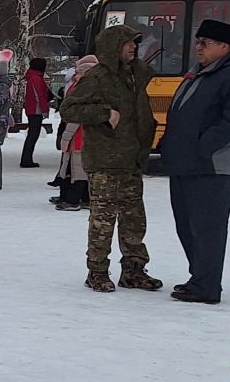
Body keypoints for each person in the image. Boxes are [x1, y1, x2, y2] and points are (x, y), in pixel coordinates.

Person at [160, 18, 230, 304]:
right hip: (184, 163)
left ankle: (207, 285)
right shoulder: (200, 72)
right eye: (198, 42)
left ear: (225, 47)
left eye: (205, 43)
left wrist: (203, 146)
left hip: (211, 166)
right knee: (186, 224)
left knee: (207, 226)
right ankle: (199, 277)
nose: (198, 48)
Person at [59, 25, 162, 293]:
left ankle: (134, 270)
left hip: (132, 158)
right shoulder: (98, 77)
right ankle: (97, 271)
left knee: (134, 219)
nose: (133, 47)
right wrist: (105, 113)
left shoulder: (134, 74)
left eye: (135, 44)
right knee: (103, 220)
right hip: (106, 160)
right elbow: (68, 109)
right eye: (128, 43)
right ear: (113, 46)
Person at [52, 55, 97, 211]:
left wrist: (65, 136)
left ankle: (73, 200)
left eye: (77, 72)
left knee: (77, 170)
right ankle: (86, 199)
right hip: (88, 137)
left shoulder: (82, 90)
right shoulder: (95, 88)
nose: (74, 75)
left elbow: (75, 117)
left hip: (78, 137)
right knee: (82, 169)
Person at [20, 57, 52, 167]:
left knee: (32, 135)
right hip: (35, 110)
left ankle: (27, 159)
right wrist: (44, 109)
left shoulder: (32, 77)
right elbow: (40, 96)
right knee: (33, 135)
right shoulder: (36, 79)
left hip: (32, 109)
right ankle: (26, 160)